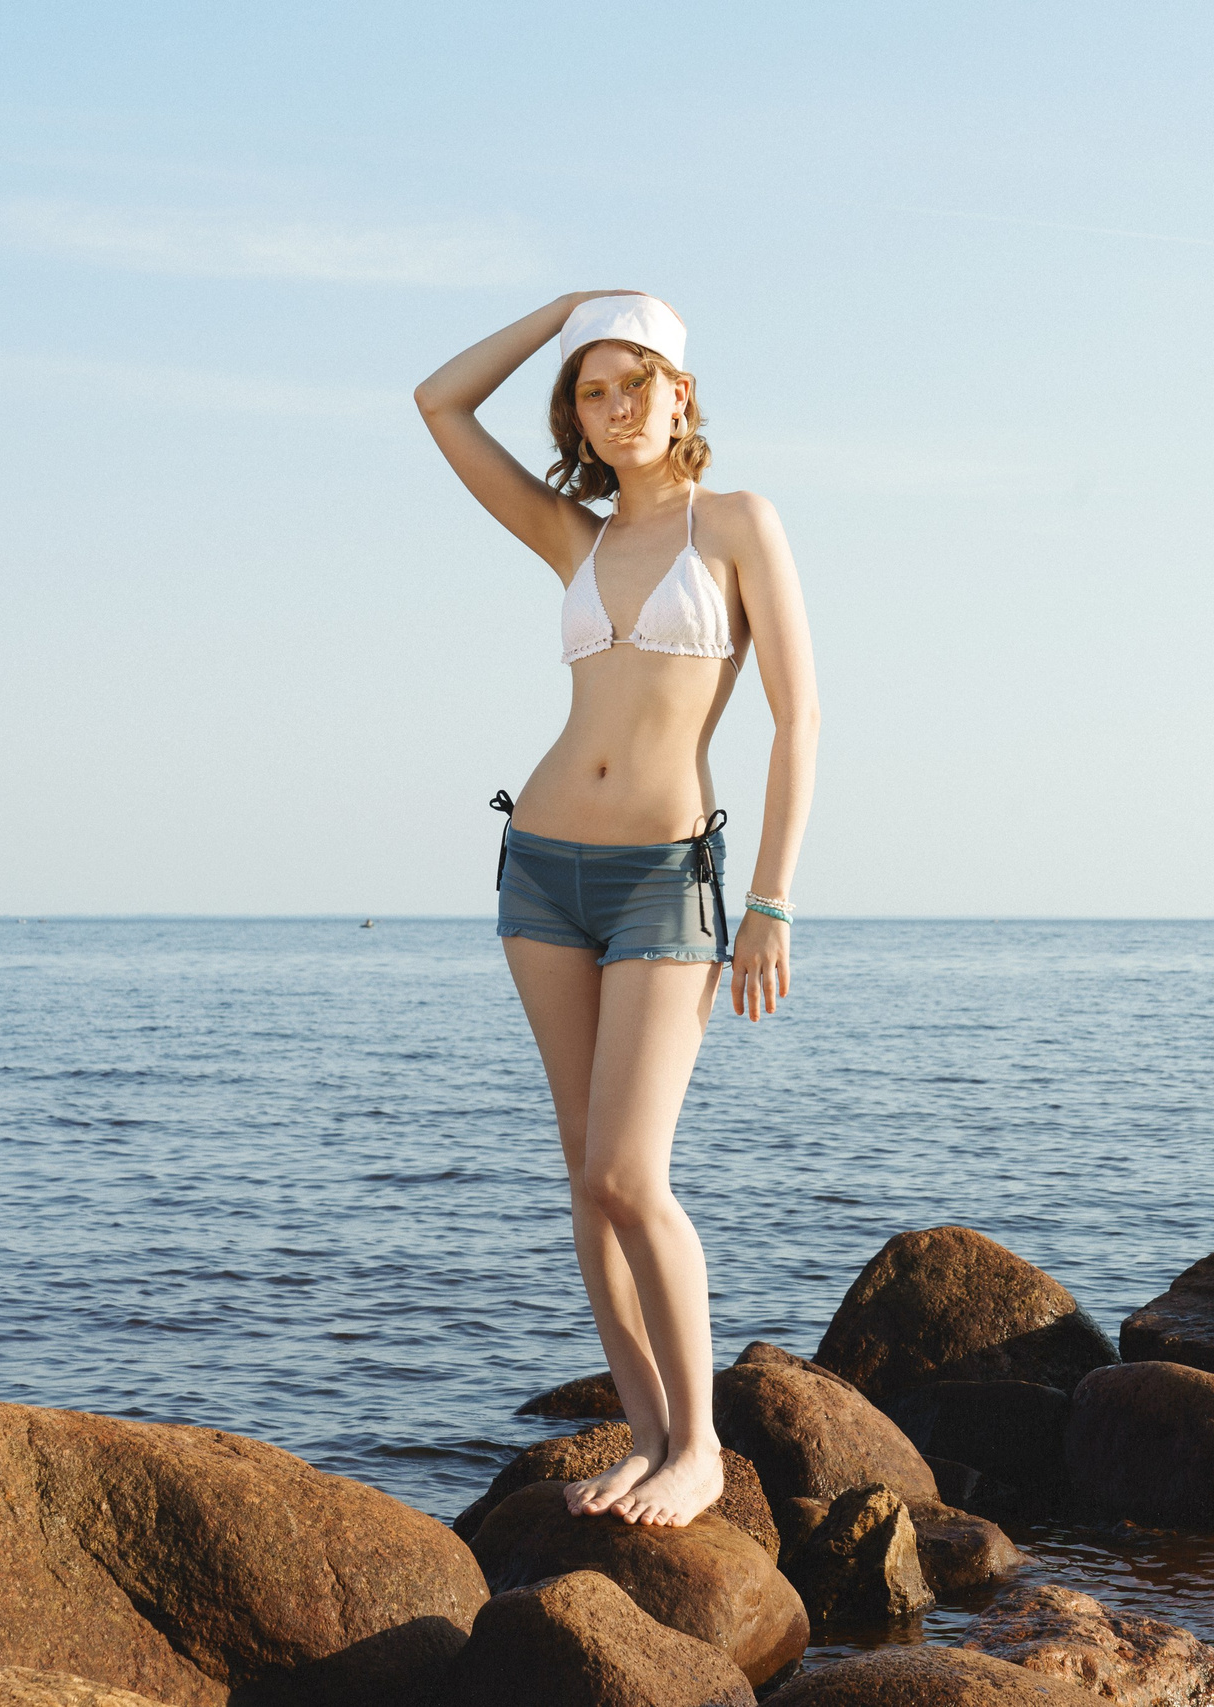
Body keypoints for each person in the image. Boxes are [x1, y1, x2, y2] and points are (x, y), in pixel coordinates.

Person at [414, 293, 819, 1527]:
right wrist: (562, 315)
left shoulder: (738, 521)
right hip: (540, 870)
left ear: (682, 394)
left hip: (662, 880)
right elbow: (439, 402)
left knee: (635, 1173)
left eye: (636, 381)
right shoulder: (569, 537)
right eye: (593, 391)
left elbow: (797, 720)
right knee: (587, 1179)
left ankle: (698, 1447)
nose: (616, 407)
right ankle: (646, 1441)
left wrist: (773, 901)